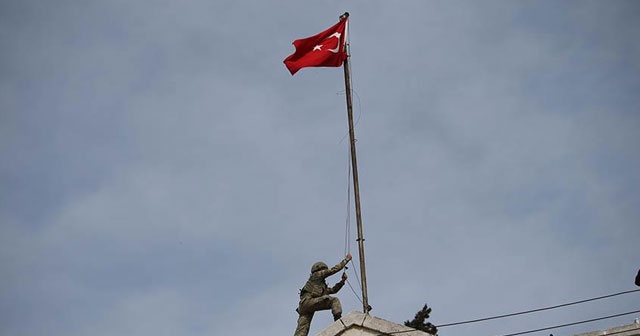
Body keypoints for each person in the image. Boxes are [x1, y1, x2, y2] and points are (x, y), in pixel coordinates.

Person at [294, 253, 352, 336]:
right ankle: (338, 320)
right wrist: (346, 260)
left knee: (302, 329)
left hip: (304, 306)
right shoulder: (316, 275)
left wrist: (342, 281)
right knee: (334, 300)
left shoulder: (319, 285)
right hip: (308, 302)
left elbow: (333, 290)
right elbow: (333, 270)